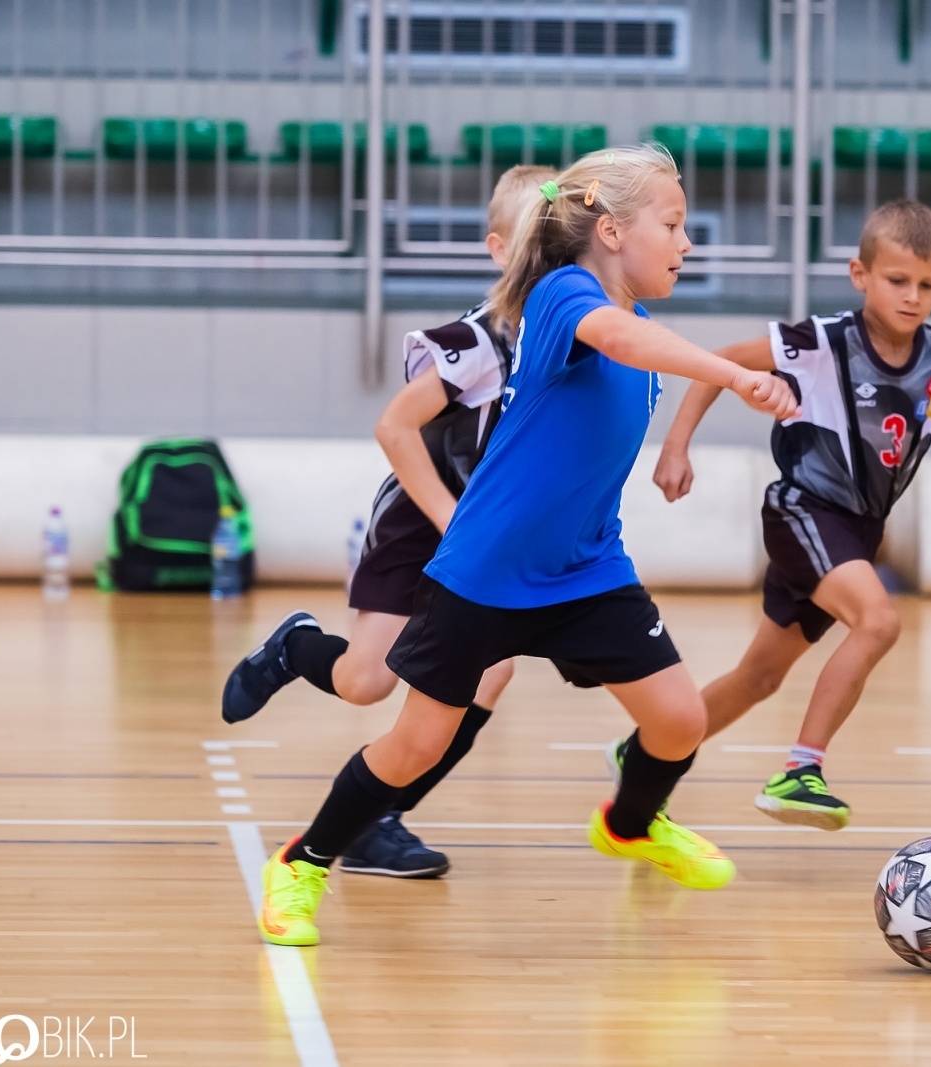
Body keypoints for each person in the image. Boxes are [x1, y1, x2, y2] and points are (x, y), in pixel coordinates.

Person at [255, 144, 800, 947]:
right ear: (610, 230)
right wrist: (729, 369)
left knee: (679, 719)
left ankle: (629, 821)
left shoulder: (640, 326)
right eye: (675, 224)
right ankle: (303, 860)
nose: (688, 243)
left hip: (587, 568)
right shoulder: (561, 297)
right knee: (413, 746)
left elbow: (640, 351)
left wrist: (692, 427)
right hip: (487, 569)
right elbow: (618, 338)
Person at [219, 165, 557, 879]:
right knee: (366, 681)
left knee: (489, 674)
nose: (548, 256)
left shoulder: (578, 339)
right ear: (499, 250)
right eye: (533, 242)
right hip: (420, 516)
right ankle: (294, 647)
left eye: (561, 241)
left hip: (492, 539)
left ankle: (379, 821)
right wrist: (453, 518)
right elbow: (395, 428)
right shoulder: (477, 340)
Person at [647, 198, 931, 830]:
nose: (913, 296)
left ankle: (646, 758)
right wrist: (677, 446)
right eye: (897, 280)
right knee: (879, 620)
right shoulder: (822, 342)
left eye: (929, 285)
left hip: (855, 534)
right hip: (804, 510)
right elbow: (719, 364)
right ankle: (800, 770)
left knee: (759, 677)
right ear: (860, 275)